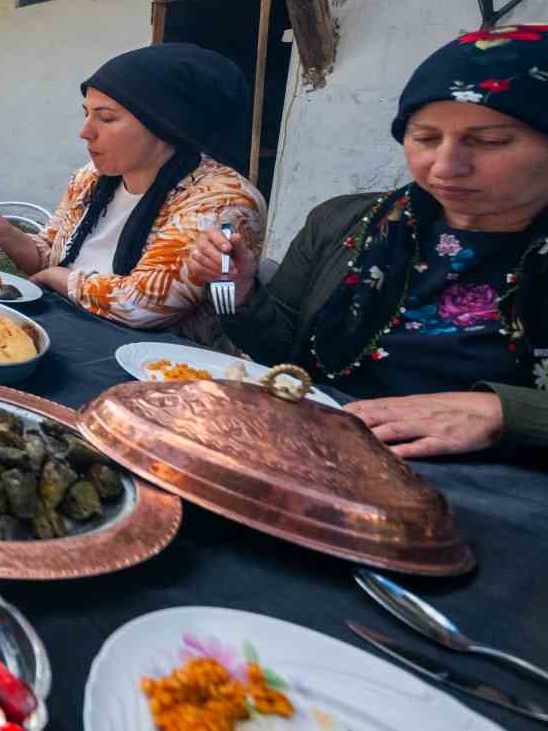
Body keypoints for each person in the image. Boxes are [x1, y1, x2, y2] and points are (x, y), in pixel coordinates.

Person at [191, 24, 548, 460]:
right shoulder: (345, 224)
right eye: (425, 138)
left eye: (490, 141)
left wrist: (504, 412)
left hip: (491, 486)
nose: (446, 166)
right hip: (313, 447)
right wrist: (237, 291)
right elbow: (281, 354)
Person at [0, 44, 265, 345]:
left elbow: (144, 305)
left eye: (106, 118)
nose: (85, 131)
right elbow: (48, 257)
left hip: (155, 368)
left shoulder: (221, 198)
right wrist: (8, 236)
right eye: (86, 114)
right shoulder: (92, 179)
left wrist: (57, 278)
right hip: (69, 336)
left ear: (164, 124)